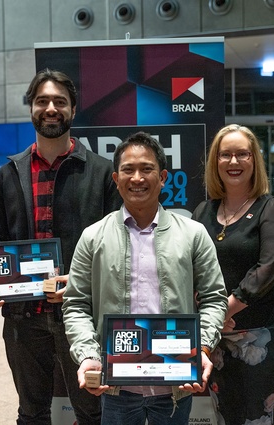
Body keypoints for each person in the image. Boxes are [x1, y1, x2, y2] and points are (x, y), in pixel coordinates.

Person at [0, 69, 121, 425]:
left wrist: (82, 283)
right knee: (31, 412)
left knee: (93, 412)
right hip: (24, 320)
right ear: (31, 109)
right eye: (42, 101)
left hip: (83, 321)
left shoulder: (102, 173)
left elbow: (118, 249)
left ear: (73, 109)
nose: (50, 108)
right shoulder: (8, 174)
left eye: (59, 101)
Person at [62, 132, 228, 425]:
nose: (137, 177)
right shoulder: (92, 237)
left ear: (162, 176)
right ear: (116, 178)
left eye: (147, 169)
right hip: (117, 388)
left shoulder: (192, 234)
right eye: (128, 169)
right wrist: (89, 356)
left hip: (175, 387)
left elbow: (214, 299)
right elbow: (75, 305)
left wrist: (201, 348)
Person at [191, 124, 274, 425]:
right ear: (215, 162)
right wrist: (208, 313)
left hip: (258, 332)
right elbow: (191, 267)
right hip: (214, 334)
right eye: (225, 155)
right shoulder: (202, 212)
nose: (233, 162)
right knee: (224, 412)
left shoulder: (270, 208)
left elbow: (268, 268)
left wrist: (223, 309)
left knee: (255, 416)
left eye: (242, 154)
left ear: (254, 161)